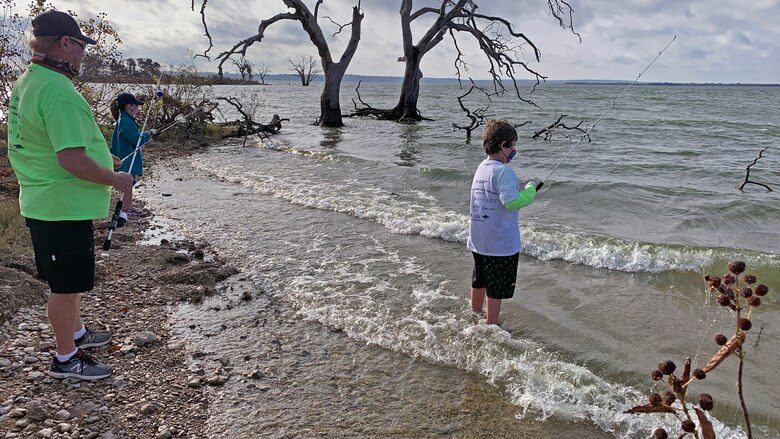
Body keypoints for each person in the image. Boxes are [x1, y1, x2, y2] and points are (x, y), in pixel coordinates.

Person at [6, 10, 134, 380]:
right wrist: (117, 179)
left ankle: (77, 333)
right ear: (65, 44)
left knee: (70, 281)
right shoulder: (58, 91)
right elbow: (70, 160)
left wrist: (101, 154)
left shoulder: (31, 80)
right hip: (58, 206)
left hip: (49, 202)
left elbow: (50, 142)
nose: (83, 54)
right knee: (65, 287)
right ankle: (66, 359)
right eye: (81, 46)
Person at [467, 119, 537, 325]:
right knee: (496, 287)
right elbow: (511, 202)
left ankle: (475, 313)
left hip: (479, 239)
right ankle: (492, 324)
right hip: (500, 245)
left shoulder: (482, 167)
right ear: (502, 146)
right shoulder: (503, 171)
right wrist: (530, 191)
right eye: (512, 145)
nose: (514, 150)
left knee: (479, 279)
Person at [109, 92, 157, 219]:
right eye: (136, 105)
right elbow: (137, 140)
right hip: (128, 159)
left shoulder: (123, 120)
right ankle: (127, 208)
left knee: (129, 183)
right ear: (129, 106)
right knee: (129, 182)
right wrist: (148, 134)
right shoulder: (126, 122)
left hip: (123, 157)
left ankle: (126, 206)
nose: (138, 108)